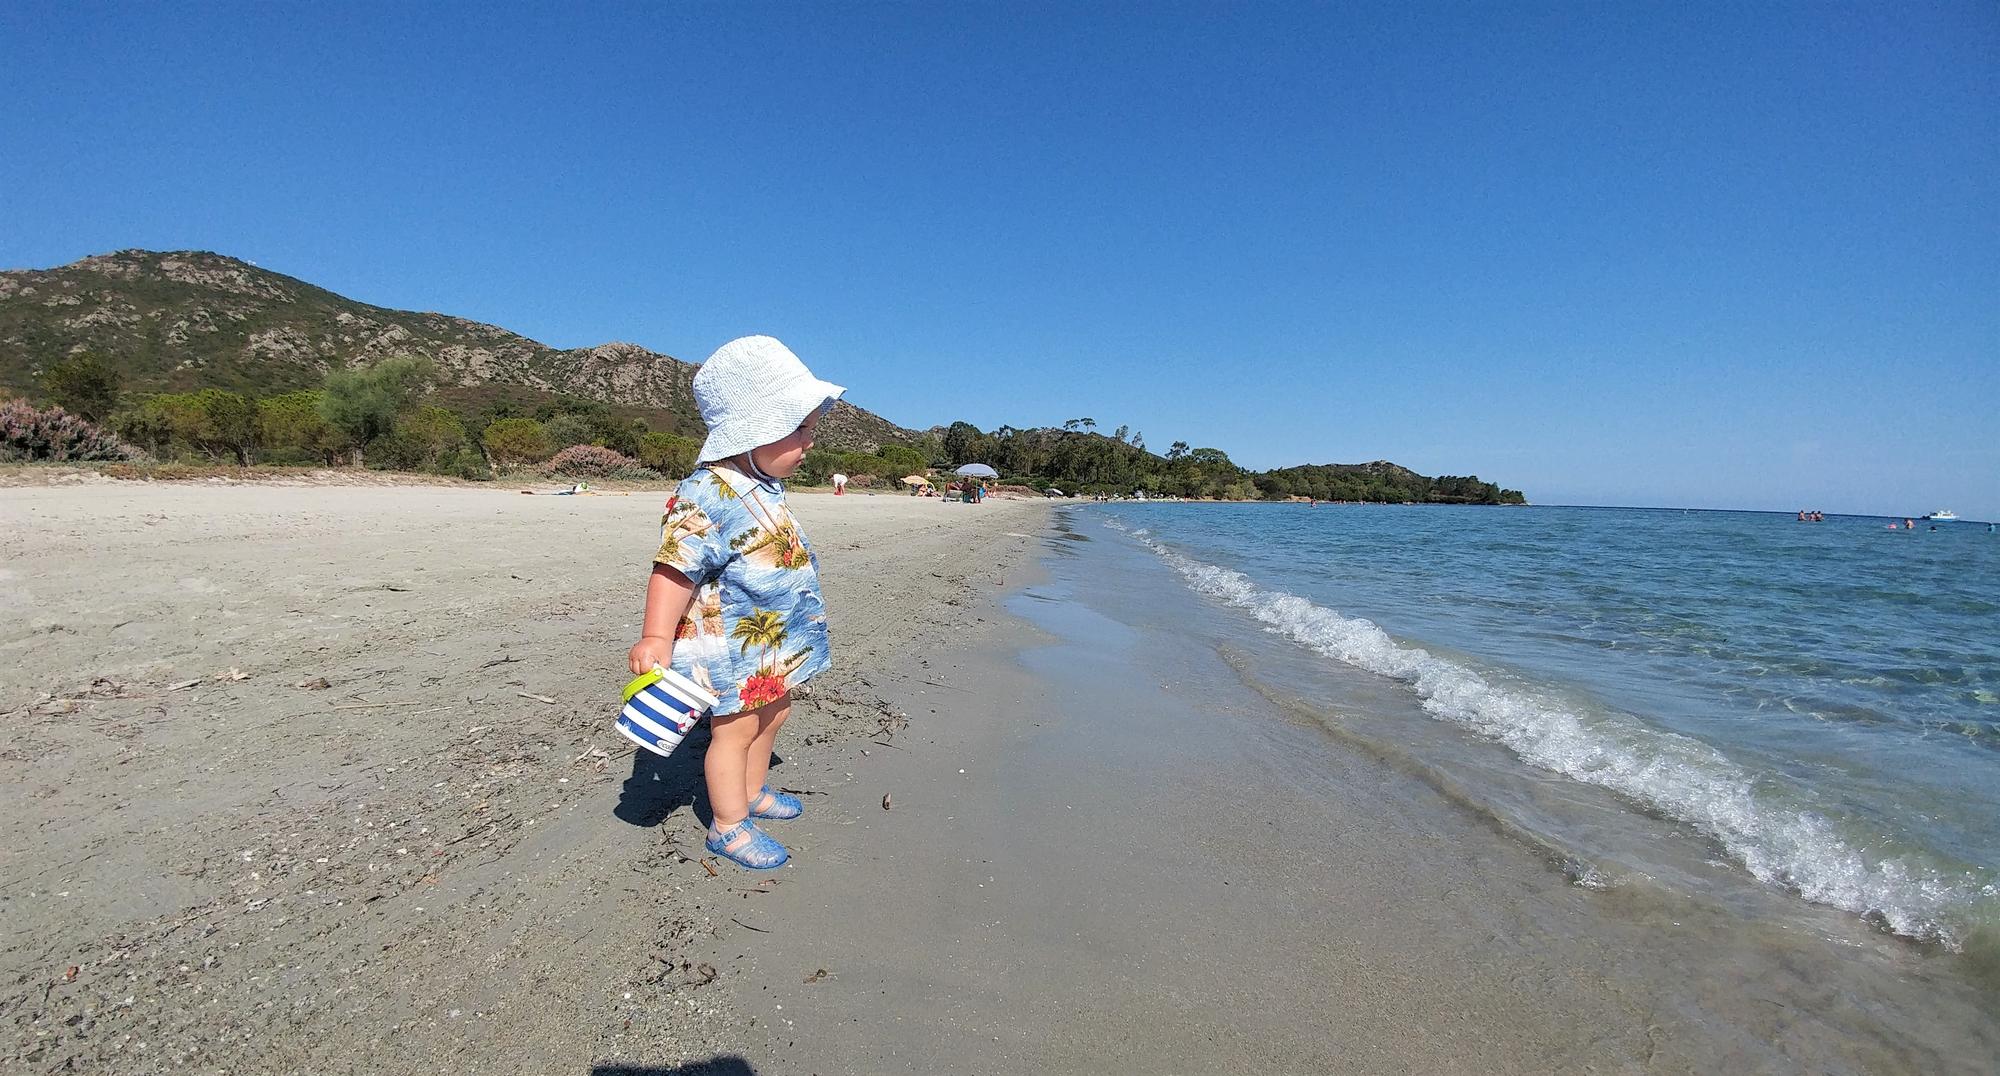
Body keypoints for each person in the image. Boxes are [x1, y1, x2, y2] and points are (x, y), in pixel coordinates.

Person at [627, 336, 843, 871]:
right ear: (754, 430)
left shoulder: (762, 483)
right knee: (736, 728)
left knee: (776, 711)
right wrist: (656, 635)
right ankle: (727, 825)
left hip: (773, 636)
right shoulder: (706, 493)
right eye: (799, 428)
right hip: (731, 644)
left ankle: (751, 790)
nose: (810, 441)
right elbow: (674, 567)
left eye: (811, 428)